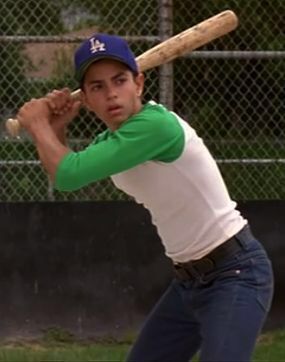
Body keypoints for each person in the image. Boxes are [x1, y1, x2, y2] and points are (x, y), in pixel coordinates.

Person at [17, 33, 274, 362]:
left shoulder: (155, 126)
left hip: (235, 272)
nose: (111, 94)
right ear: (88, 99)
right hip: (188, 283)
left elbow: (69, 174)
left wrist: (38, 124)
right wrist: (56, 129)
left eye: (120, 80)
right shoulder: (112, 140)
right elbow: (65, 170)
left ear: (138, 83)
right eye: (97, 87)